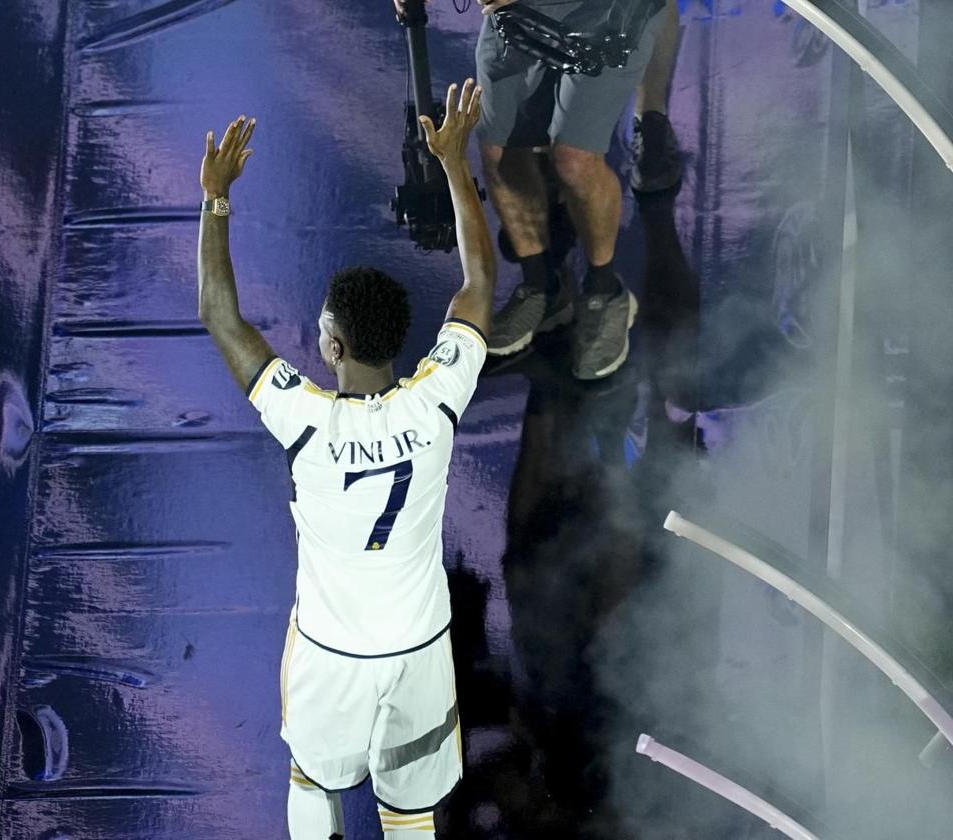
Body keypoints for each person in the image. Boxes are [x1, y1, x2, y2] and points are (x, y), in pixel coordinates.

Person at [197, 80, 495, 839]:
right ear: (398, 343)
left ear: (330, 346)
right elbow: (478, 283)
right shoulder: (434, 405)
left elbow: (219, 315)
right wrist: (455, 164)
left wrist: (216, 200)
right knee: (408, 811)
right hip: (419, 647)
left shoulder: (306, 421)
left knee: (311, 779)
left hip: (333, 654)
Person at [394, 0, 683, 378]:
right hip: (514, 15)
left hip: (606, 11)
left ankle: (604, 288)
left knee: (575, 158)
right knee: (499, 149)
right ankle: (541, 286)